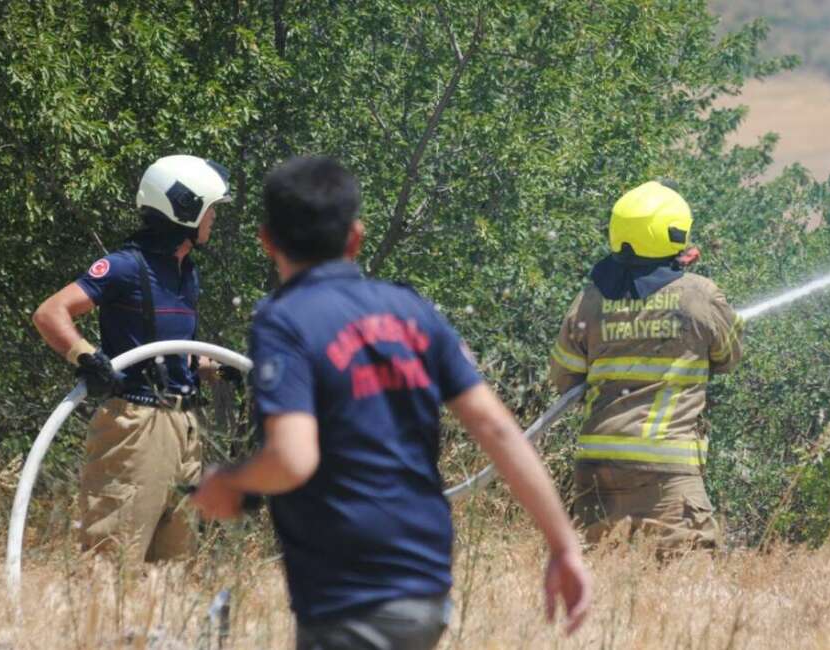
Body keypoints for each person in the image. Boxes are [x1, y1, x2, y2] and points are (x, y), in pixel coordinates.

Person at [191, 156, 590, 649]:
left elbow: (293, 459)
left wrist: (228, 482)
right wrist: (563, 544)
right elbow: (497, 429)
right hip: (426, 581)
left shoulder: (284, 320)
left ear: (267, 241)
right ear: (356, 237)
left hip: (349, 589)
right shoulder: (412, 311)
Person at [32, 154, 235, 563]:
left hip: (185, 427)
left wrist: (219, 369)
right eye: (211, 208)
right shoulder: (125, 267)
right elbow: (50, 312)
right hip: (137, 424)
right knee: (114, 559)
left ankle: (154, 628)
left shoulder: (186, 272)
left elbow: (174, 355)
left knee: (174, 567)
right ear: (186, 208)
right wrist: (85, 357)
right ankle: (99, 626)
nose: (214, 217)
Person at [549, 181, 743, 551]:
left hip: (597, 466)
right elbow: (729, 356)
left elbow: (563, 376)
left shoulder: (589, 299)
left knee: (604, 577)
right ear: (676, 233)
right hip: (665, 469)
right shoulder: (698, 294)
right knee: (685, 580)